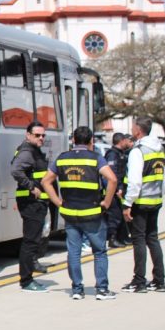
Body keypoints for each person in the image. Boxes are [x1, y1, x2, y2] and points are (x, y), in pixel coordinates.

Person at [42, 126, 117, 300]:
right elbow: (112, 179)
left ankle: (77, 289)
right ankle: (102, 289)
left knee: (73, 252)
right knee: (99, 252)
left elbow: (46, 181)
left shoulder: (62, 159)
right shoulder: (96, 159)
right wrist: (106, 202)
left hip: (70, 213)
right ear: (91, 141)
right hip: (92, 213)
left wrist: (57, 202)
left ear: (73, 140)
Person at [121, 117, 165, 293]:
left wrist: (127, 204)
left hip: (140, 202)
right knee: (153, 239)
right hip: (155, 200)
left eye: (133, 127)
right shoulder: (159, 149)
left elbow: (134, 182)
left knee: (138, 240)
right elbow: (163, 178)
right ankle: (159, 280)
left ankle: (139, 281)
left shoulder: (138, 151)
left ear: (138, 130)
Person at [10, 121, 51, 292]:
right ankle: (26, 280)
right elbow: (16, 170)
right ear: (28, 135)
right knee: (30, 241)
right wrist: (31, 187)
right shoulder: (27, 152)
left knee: (33, 240)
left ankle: (28, 276)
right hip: (31, 203)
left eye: (43, 135)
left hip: (35, 203)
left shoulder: (34, 151)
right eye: (37, 135)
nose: (41, 138)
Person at [104, 132, 133, 248]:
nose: (128, 142)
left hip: (120, 189)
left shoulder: (120, 154)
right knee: (114, 216)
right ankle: (112, 238)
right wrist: (118, 188)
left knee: (120, 216)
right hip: (114, 190)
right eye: (126, 140)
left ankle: (123, 237)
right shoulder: (112, 155)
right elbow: (113, 173)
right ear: (121, 141)